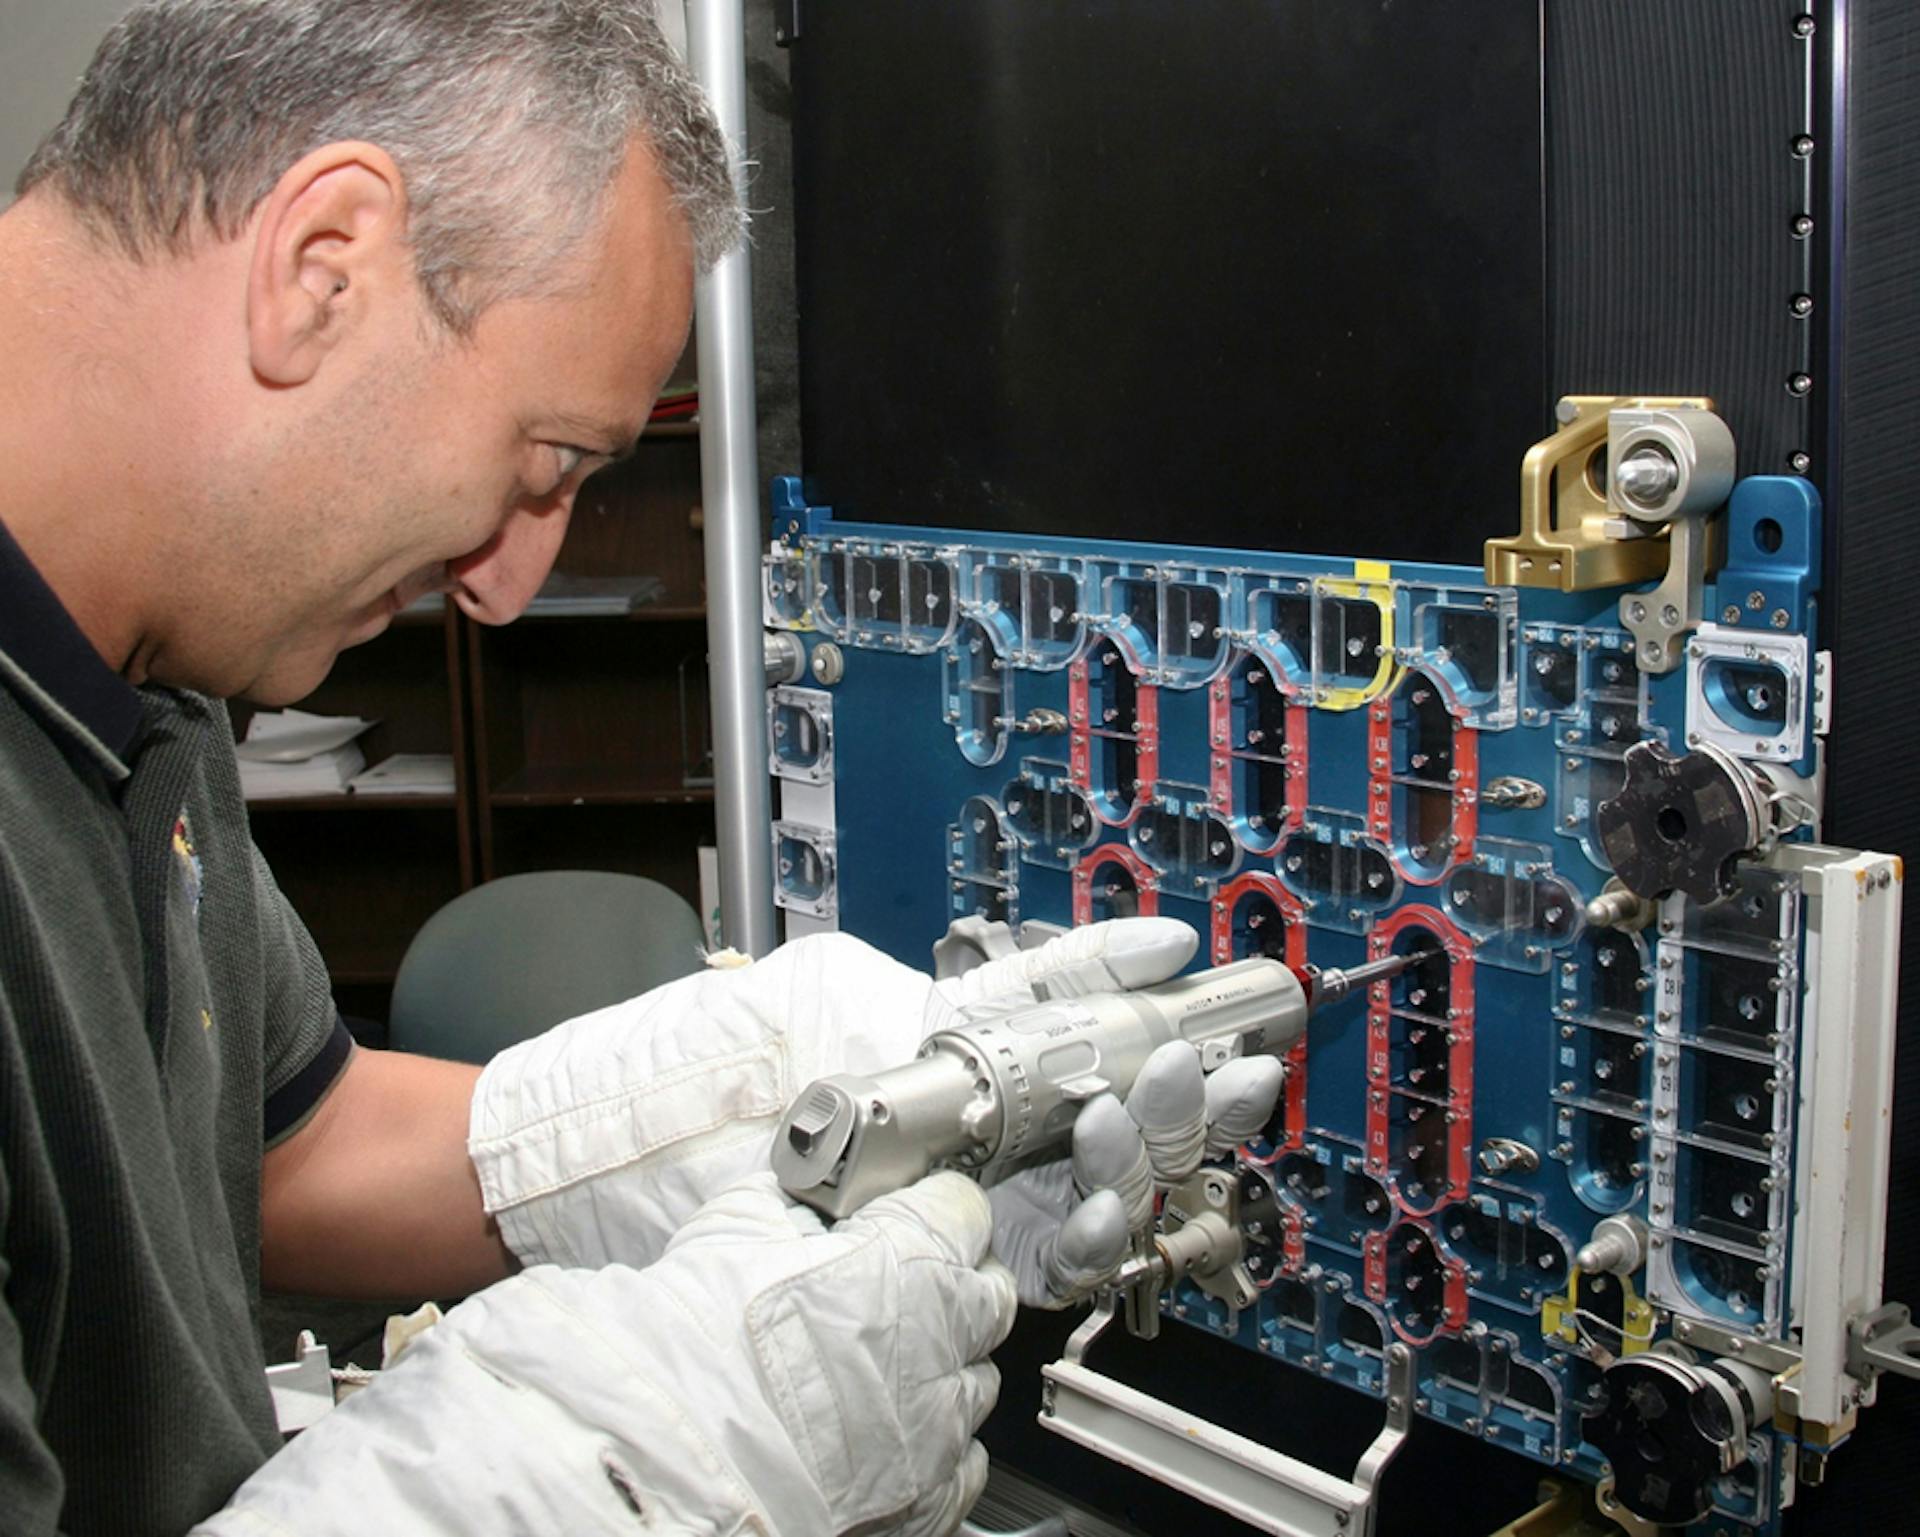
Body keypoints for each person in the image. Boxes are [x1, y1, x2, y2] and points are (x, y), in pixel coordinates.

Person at [0, 3, 1281, 1532]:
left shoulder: (153, 665)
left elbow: (279, 1149)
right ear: (321, 267)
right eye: (543, 465)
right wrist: (626, 1462)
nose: (506, 585)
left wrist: (735, 1122)